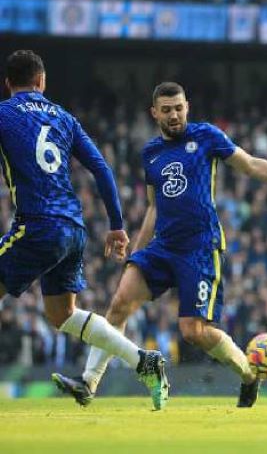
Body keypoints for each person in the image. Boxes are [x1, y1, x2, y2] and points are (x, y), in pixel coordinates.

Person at [52, 81, 267, 408]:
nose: (174, 115)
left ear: (188, 107)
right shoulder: (150, 152)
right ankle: (88, 382)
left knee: (194, 331)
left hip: (200, 248)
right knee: (119, 303)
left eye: (179, 108)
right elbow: (154, 207)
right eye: (166, 110)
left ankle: (248, 375)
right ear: (154, 113)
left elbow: (251, 164)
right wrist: (138, 251)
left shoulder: (206, 136)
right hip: (163, 247)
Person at [0, 50, 168, 410]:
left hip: (38, 224)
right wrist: (116, 225)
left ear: (7, 84)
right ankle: (144, 360)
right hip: (73, 229)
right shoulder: (63, 117)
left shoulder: (4, 114)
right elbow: (102, 169)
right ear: (42, 82)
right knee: (62, 315)